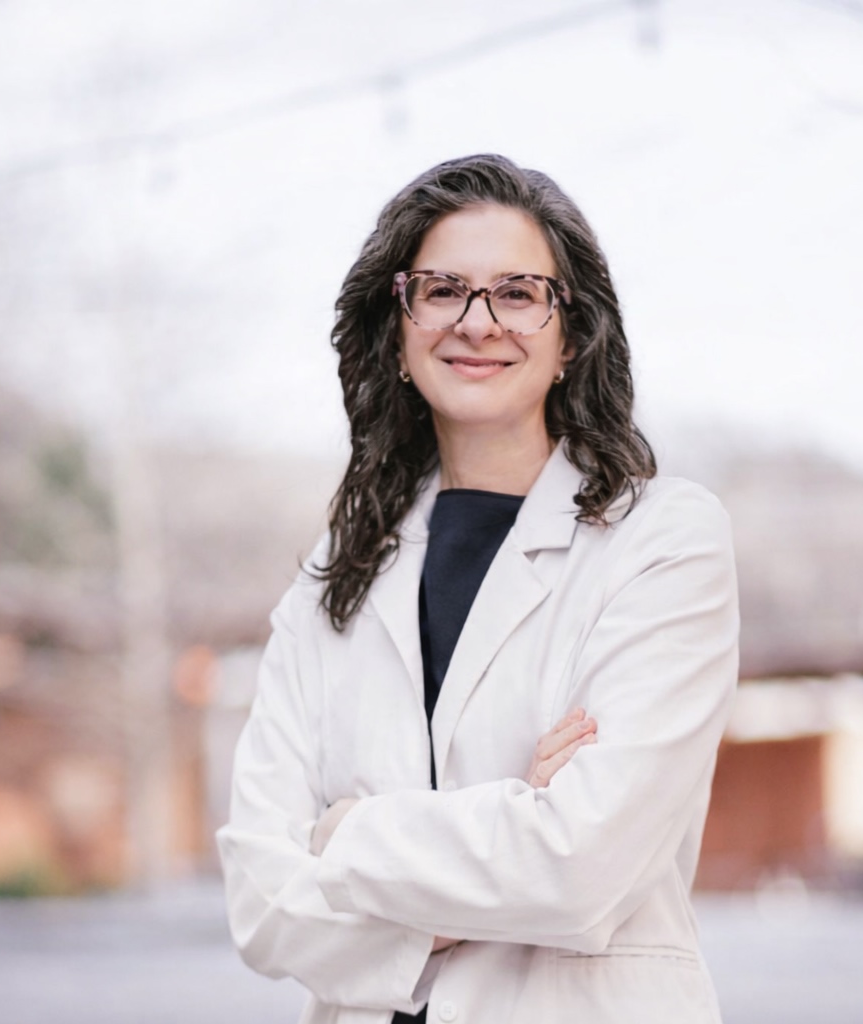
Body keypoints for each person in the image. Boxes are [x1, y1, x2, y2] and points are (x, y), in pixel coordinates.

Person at [217, 153, 739, 1024]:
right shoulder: (333, 578)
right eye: (442, 290)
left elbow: (580, 869)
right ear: (398, 329)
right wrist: (505, 838)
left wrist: (344, 834)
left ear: (572, 336)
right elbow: (260, 901)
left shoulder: (662, 541)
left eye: (518, 293)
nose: (477, 322)